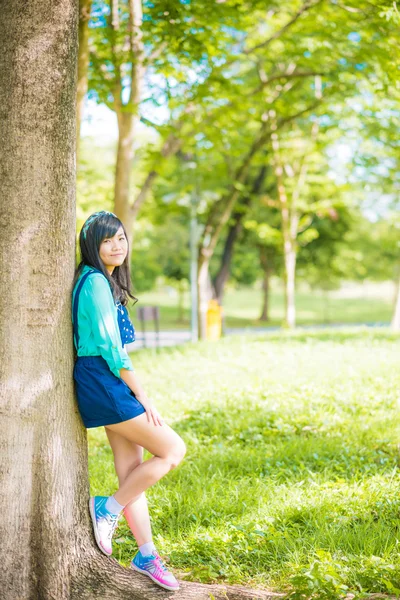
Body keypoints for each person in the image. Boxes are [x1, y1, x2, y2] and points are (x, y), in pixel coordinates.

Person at [71, 210, 186, 592]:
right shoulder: (95, 284)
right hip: (102, 379)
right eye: (107, 240)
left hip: (102, 377)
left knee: (131, 473)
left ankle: (146, 554)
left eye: (120, 237)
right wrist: (143, 395)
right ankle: (107, 508)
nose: (117, 245)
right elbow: (110, 348)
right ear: (92, 245)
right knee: (172, 450)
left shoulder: (102, 281)